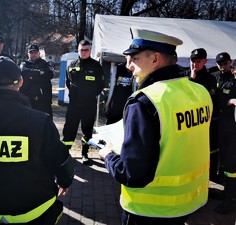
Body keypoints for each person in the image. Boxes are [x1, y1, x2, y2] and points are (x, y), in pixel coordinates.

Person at [99, 28, 212, 225]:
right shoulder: (200, 92)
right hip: (190, 202)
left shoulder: (144, 101)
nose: (129, 66)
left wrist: (107, 155)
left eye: (134, 58)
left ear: (155, 59)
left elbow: (132, 174)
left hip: (149, 210)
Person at [0, 56, 75, 225]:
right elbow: (61, 162)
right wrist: (64, 182)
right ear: (21, 82)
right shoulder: (40, 121)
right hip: (37, 212)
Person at [62, 40, 105, 165]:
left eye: (86, 50)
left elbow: (101, 84)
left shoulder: (96, 66)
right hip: (74, 105)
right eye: (81, 50)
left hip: (89, 105)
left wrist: (90, 94)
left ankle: (85, 154)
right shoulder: (72, 65)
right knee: (69, 130)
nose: (84, 52)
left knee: (87, 131)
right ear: (78, 50)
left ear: (90, 50)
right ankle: (66, 153)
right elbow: (68, 82)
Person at [181, 48, 219, 183]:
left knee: (207, 150)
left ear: (205, 61)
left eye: (198, 61)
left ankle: (210, 176)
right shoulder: (183, 76)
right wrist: (191, 78)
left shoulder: (210, 78)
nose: (195, 64)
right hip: (186, 121)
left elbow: (208, 100)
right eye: (193, 61)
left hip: (203, 121)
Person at [210, 58, 236, 215]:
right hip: (227, 129)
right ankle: (227, 192)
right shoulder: (230, 82)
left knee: (232, 166)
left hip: (234, 132)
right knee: (227, 164)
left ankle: (232, 200)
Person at [20, 44, 54, 117]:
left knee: (46, 124)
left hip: (44, 101)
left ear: (39, 53)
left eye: (35, 52)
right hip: (28, 101)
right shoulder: (24, 64)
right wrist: (40, 73)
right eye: (31, 53)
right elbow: (23, 72)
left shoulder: (45, 64)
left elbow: (50, 74)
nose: (33, 54)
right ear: (28, 54)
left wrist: (32, 76)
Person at [104, 55, 134, 125]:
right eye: (130, 57)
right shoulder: (118, 68)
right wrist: (108, 103)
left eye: (134, 57)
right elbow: (111, 88)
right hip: (114, 105)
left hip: (127, 106)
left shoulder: (135, 70)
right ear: (126, 56)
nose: (131, 59)